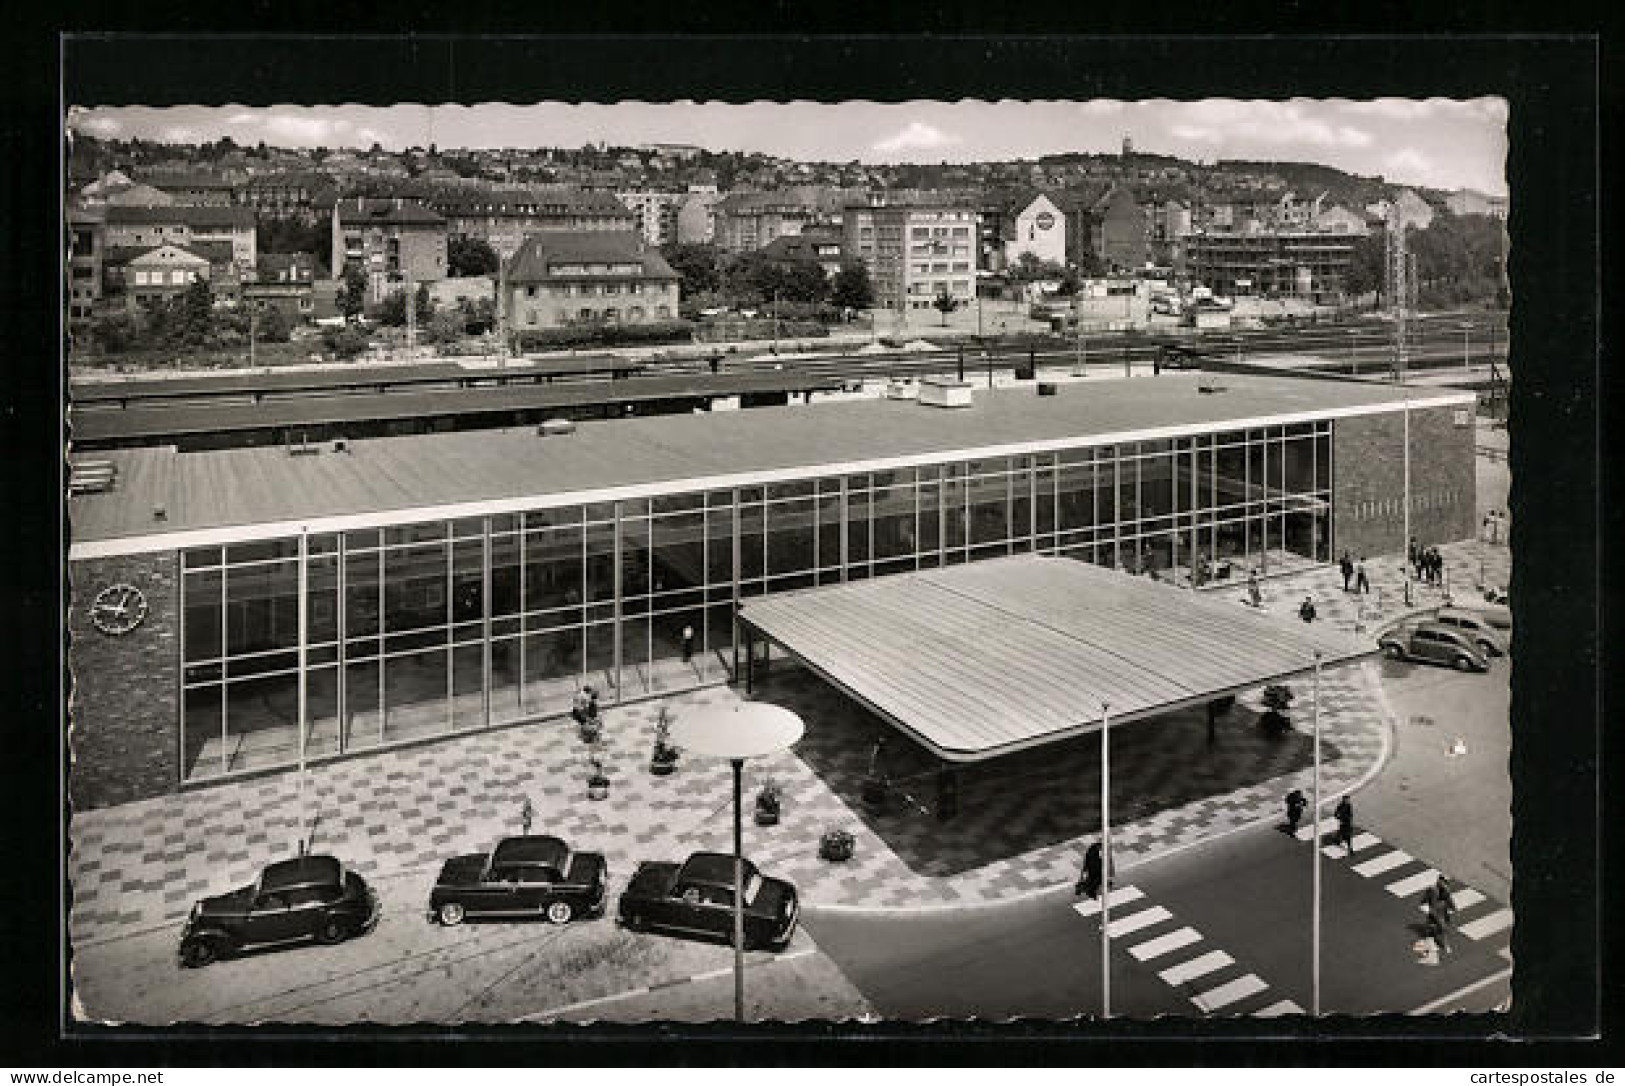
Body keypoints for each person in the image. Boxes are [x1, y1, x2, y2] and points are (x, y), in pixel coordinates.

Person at [1422, 875, 1457, 956]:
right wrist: (1424, 903)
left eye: (1445, 883)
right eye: (1442, 882)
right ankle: (1441, 944)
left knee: (1442, 928)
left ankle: (1434, 937)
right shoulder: (1432, 889)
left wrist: (1453, 907)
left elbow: (1449, 899)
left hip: (1442, 911)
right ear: (1438, 881)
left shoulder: (1446, 890)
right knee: (1441, 928)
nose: (1444, 884)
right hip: (1434, 911)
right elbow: (1426, 898)